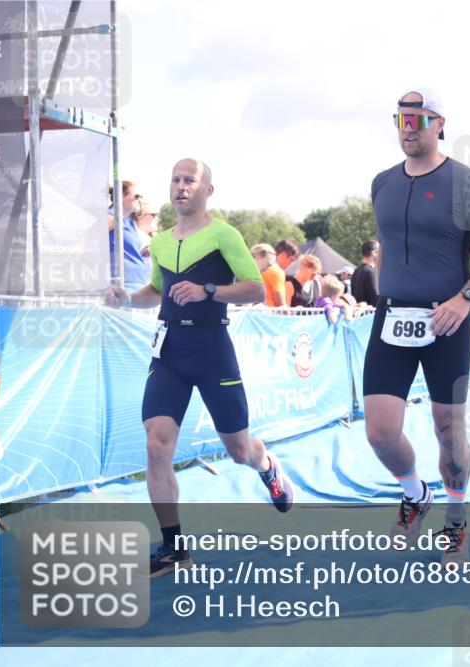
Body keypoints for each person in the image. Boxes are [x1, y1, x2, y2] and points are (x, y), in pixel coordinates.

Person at [103, 158, 295, 576]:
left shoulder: (224, 234)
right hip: (170, 348)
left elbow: (255, 290)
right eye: (175, 179)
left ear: (208, 190)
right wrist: (125, 298)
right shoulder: (163, 240)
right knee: (156, 444)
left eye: (190, 180)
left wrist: (209, 289)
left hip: (211, 348)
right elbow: (157, 290)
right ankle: (174, 547)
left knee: (239, 449)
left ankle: (267, 466)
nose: (181, 186)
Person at [364, 87, 470, 567]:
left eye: (418, 120)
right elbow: (387, 245)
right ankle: (415, 494)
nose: (408, 128)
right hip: (393, 319)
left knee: (449, 432)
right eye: (401, 119)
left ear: (439, 123)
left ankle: (456, 520)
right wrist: (381, 297)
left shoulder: (466, 182)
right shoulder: (382, 183)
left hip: (447, 318)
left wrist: (466, 298)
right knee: (380, 432)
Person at [109, 180, 151, 292]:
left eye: (141, 197)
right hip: (123, 286)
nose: (140, 200)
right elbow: (86, 238)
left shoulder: (129, 222)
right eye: (137, 196)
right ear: (121, 196)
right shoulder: (112, 216)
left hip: (137, 285)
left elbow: (128, 251)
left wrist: (145, 251)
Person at [351, 240, 380, 305]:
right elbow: (375, 298)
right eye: (379, 252)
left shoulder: (356, 270)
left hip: (360, 313)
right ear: (374, 253)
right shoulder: (370, 272)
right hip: (370, 313)